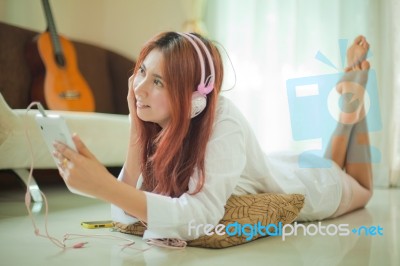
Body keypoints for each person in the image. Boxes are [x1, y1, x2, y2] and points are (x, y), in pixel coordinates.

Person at [53, 32, 373, 240]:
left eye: (159, 82)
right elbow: (123, 210)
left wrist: (105, 186)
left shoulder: (224, 121)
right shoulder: (155, 117)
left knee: (361, 186)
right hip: (284, 165)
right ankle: (348, 102)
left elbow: (198, 218)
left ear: (194, 100)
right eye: (142, 72)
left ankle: (355, 96)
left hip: (315, 189)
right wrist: (136, 130)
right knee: (329, 161)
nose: (139, 88)